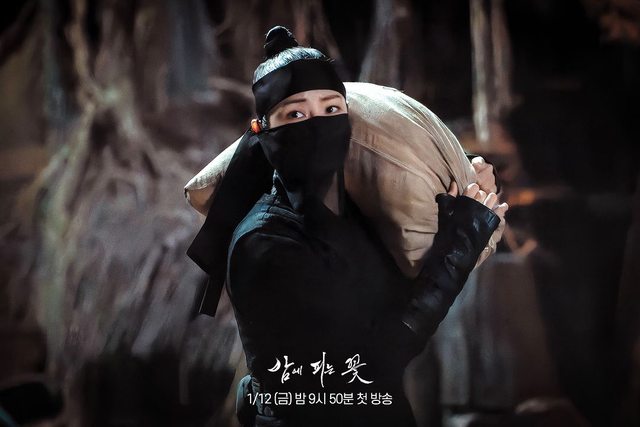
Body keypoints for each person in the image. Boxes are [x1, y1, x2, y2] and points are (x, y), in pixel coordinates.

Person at [222, 26, 507, 427]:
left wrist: (462, 192)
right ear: (263, 131)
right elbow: (369, 365)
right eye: (296, 114)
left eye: (331, 110)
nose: (317, 126)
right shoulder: (263, 243)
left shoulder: (359, 215)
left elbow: (396, 296)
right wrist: (458, 249)